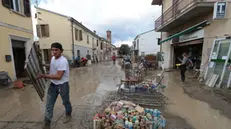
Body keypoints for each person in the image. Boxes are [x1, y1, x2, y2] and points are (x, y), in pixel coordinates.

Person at [37, 42, 72, 129]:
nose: (54, 52)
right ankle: (47, 122)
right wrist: (43, 65)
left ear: (61, 51)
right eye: (52, 50)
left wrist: (44, 75)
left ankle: (68, 114)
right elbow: (53, 66)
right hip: (53, 84)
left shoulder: (63, 61)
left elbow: (59, 76)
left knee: (65, 102)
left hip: (63, 85)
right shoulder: (53, 58)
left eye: (56, 50)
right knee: (49, 104)